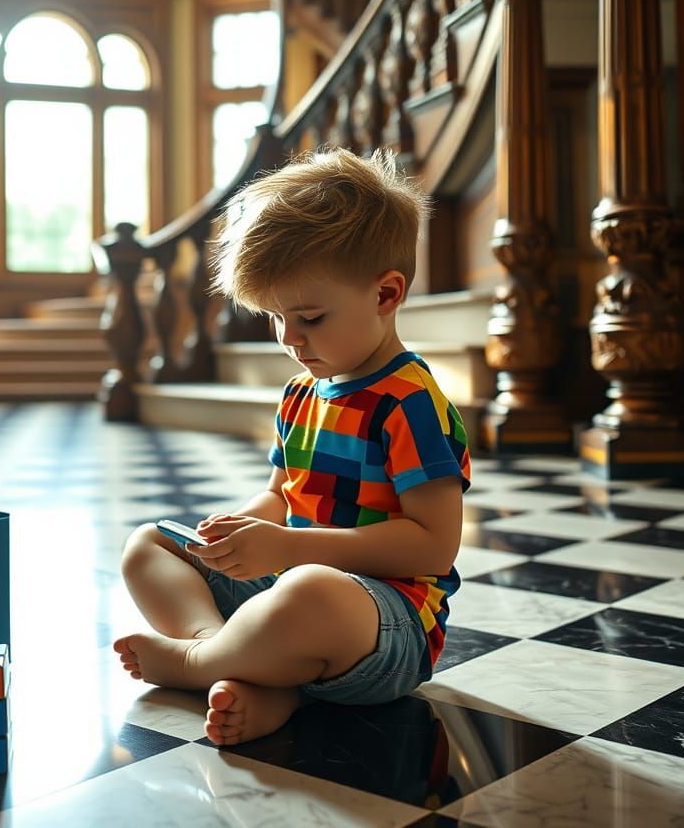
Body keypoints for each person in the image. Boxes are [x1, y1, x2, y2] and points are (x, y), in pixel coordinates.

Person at [113, 147, 471, 747]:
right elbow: (284, 495)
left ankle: (195, 664)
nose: (290, 340)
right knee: (148, 544)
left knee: (308, 594)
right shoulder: (302, 392)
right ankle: (246, 669)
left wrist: (286, 545)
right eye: (275, 318)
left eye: (309, 316)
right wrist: (244, 528)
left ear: (386, 295)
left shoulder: (409, 404)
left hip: (383, 623)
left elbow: (434, 546)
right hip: (290, 591)